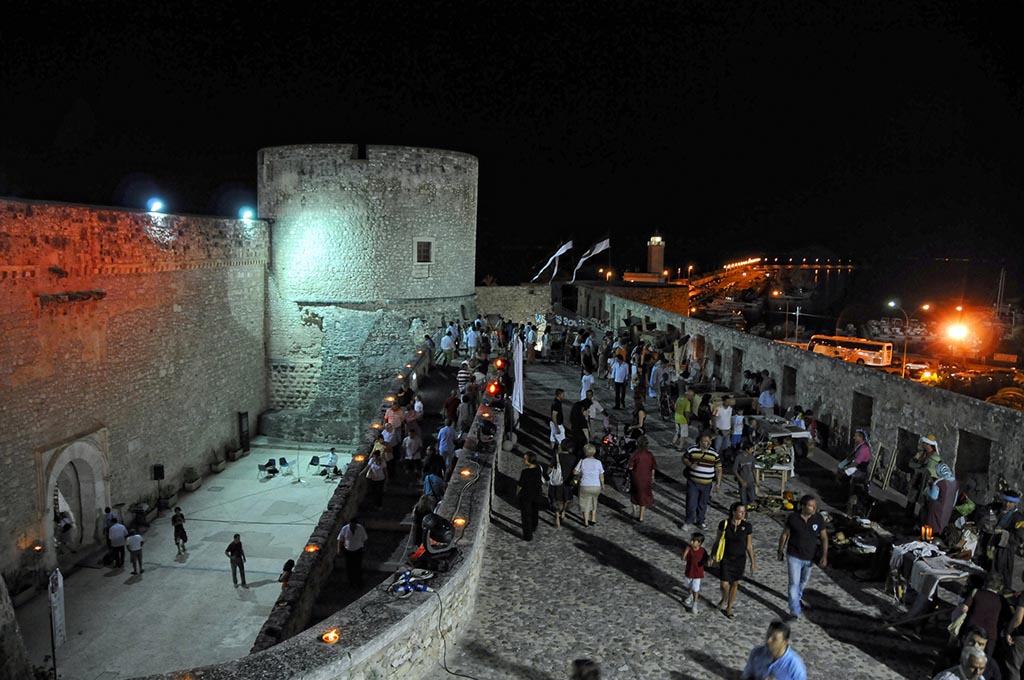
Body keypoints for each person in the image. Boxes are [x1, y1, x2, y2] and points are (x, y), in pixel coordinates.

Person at [777, 494, 828, 619]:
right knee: (794, 583)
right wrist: (780, 549)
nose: (814, 508)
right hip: (794, 555)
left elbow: (824, 537)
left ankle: (797, 598)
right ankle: (794, 610)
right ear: (803, 506)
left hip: (810, 557)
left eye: (815, 506)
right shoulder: (793, 518)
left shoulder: (818, 519)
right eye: (811, 506)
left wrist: (824, 555)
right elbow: (785, 534)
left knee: (803, 581)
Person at [714, 502, 756, 618]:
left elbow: (749, 545)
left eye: (744, 512)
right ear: (734, 512)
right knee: (724, 584)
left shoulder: (747, 526)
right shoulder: (724, 524)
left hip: (739, 559)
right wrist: (712, 555)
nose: (743, 514)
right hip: (726, 558)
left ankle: (729, 607)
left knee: (735, 583)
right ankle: (724, 597)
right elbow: (718, 541)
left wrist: (753, 562)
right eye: (740, 512)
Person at [742, 620, 807, 680]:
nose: (768, 640)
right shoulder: (756, 653)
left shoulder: (795, 665)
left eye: (774, 639)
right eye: (768, 635)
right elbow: (746, 676)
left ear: (785, 642)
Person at [683, 432, 722, 529]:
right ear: (700, 442)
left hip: (707, 484)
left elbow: (718, 468)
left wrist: (718, 483)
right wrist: (690, 465)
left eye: (709, 442)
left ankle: (700, 521)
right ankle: (688, 521)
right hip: (693, 482)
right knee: (691, 503)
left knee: (703, 504)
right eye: (705, 441)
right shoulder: (692, 450)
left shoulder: (714, 454)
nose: (707, 443)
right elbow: (684, 458)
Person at [627, 435, 657, 522]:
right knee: (643, 497)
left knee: (634, 495)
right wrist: (652, 477)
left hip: (636, 478)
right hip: (646, 478)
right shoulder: (650, 455)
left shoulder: (635, 455)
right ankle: (641, 517)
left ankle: (634, 512)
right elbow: (653, 467)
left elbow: (630, 467)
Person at [574, 444, 605, 527]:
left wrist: (580, 472)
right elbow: (601, 475)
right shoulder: (598, 462)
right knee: (594, 501)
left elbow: (575, 472)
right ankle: (593, 519)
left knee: (584, 503)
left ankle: (586, 522)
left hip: (585, 485)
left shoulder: (582, 461)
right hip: (596, 485)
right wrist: (602, 484)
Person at [517, 452, 545, 541]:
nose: (523, 461)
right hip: (537, 493)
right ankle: (534, 526)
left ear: (529, 461)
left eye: (525, 459)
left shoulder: (525, 472)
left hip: (527, 495)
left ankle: (528, 535)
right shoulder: (539, 468)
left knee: (526, 515)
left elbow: (521, 484)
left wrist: (517, 493)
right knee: (534, 511)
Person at [549, 441, 577, 528]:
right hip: (567, 482)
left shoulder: (557, 456)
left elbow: (550, 468)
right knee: (566, 499)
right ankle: (563, 514)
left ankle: (557, 517)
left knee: (556, 500)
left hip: (557, 482)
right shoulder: (573, 458)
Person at [927, 462, 960, 535]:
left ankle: (929, 538)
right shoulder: (956, 483)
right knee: (943, 523)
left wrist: (928, 490)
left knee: (933, 524)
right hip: (948, 508)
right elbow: (955, 499)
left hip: (937, 508)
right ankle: (941, 537)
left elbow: (933, 497)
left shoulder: (939, 483)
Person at [337, 517, 368, 589]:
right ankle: (351, 583)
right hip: (348, 551)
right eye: (351, 525)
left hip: (358, 551)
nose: (352, 527)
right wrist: (339, 549)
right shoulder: (345, 529)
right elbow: (340, 539)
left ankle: (359, 583)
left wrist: (364, 548)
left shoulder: (360, 529)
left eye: (353, 525)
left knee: (358, 567)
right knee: (349, 568)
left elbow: (364, 539)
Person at [681, 532, 706, 613]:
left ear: (699, 543)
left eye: (694, 541)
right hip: (689, 572)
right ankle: (690, 595)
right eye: (691, 540)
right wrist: (686, 550)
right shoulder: (689, 549)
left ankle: (694, 605)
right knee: (689, 586)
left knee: (696, 589)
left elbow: (706, 559)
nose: (691, 542)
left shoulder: (702, 551)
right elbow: (683, 558)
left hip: (697, 573)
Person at [733, 439, 758, 508]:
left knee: (752, 497)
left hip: (751, 480)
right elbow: (735, 470)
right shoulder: (739, 457)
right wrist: (741, 480)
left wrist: (756, 480)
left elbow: (753, 469)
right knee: (743, 500)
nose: (753, 450)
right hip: (743, 481)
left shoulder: (752, 457)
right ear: (747, 449)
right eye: (751, 449)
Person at [550, 388, 567, 456]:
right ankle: (560, 456)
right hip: (557, 424)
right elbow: (554, 416)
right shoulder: (557, 403)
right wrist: (557, 427)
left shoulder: (555, 401)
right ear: (559, 395)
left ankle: (552, 454)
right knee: (561, 442)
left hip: (553, 423)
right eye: (563, 394)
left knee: (553, 439)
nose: (564, 396)